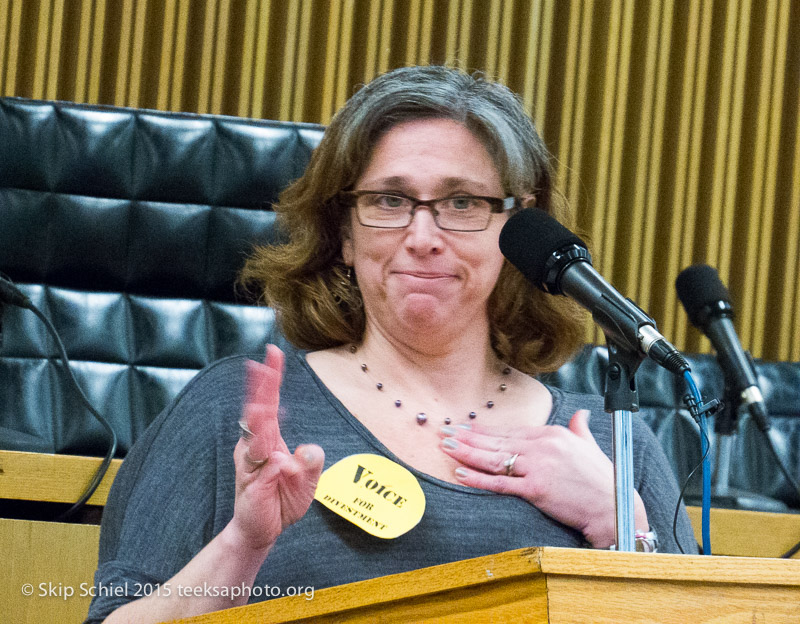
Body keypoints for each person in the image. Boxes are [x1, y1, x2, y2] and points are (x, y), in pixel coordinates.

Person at [86, 65, 697, 623]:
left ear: (515, 233)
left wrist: (622, 522)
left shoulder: (613, 446)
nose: (422, 235)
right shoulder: (237, 413)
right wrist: (243, 545)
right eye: (389, 200)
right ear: (345, 234)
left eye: (461, 202)